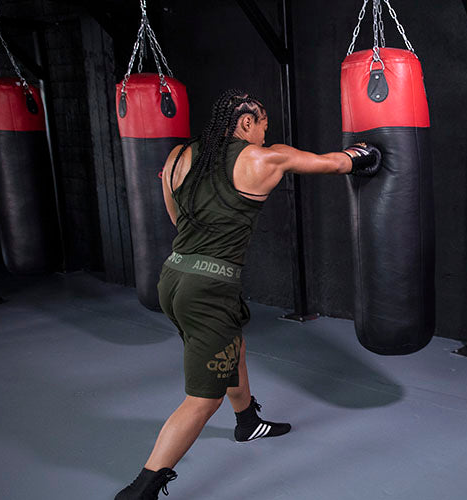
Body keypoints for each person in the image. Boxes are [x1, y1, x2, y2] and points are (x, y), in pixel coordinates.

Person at [116, 89, 381, 500]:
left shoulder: (179, 157)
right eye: (262, 125)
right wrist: (368, 152)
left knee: (232, 348)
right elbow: (333, 165)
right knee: (203, 400)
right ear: (244, 123)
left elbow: (177, 218)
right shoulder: (264, 158)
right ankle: (142, 488)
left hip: (173, 276)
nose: (264, 133)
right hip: (209, 290)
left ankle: (247, 422)